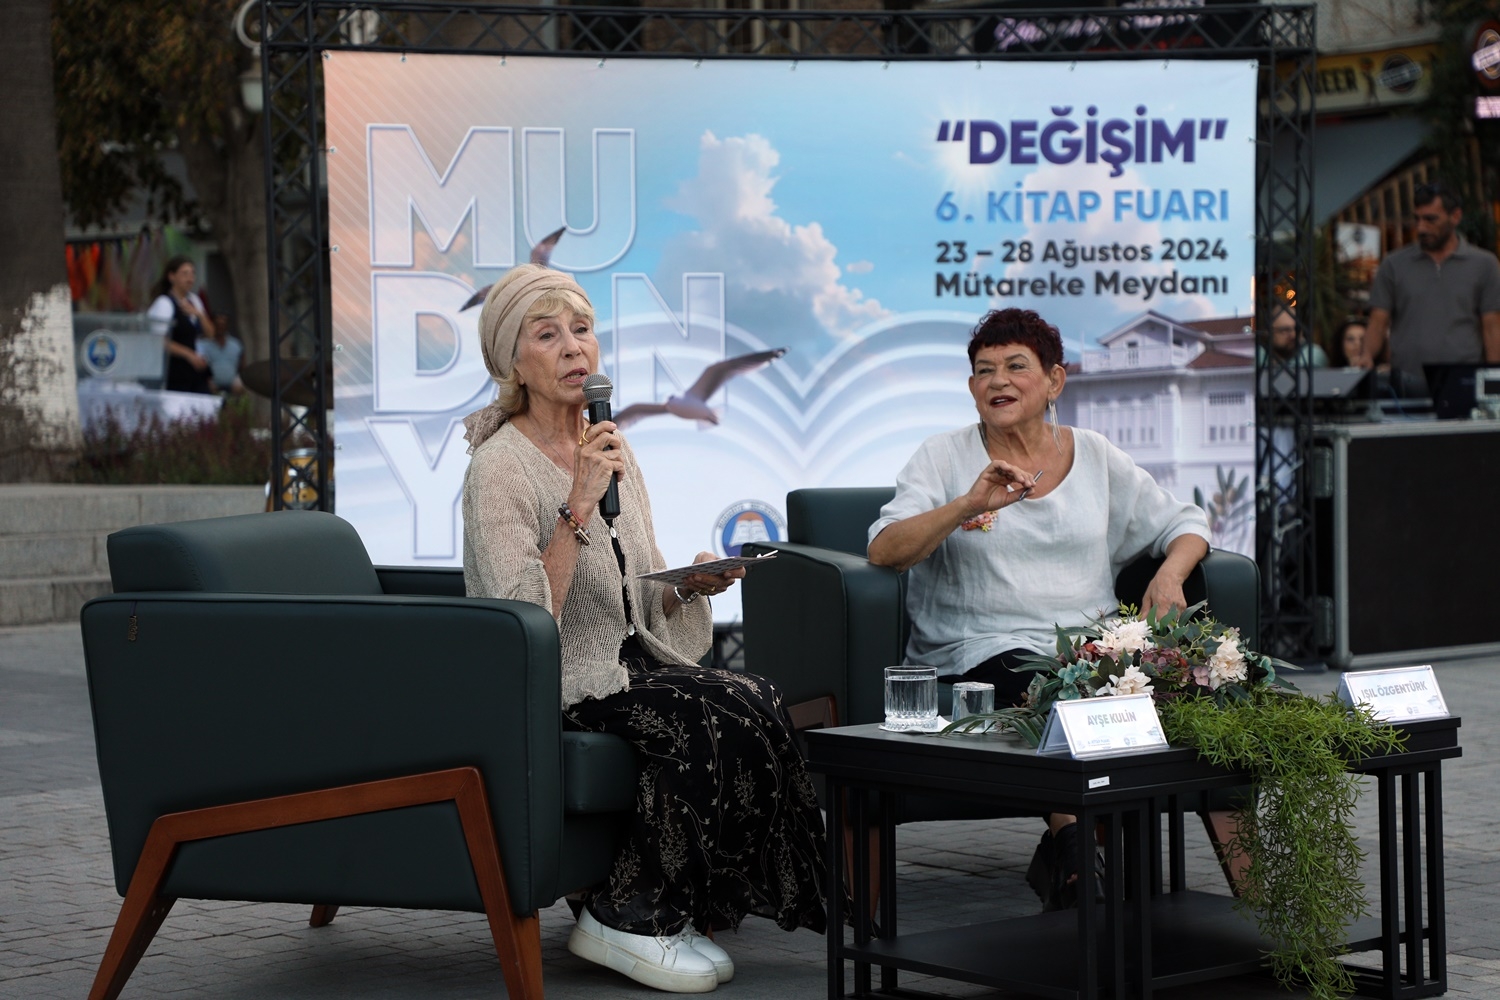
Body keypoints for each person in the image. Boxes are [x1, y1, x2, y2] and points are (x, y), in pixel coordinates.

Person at [461, 263, 826, 994]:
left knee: (754, 692)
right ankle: (627, 914)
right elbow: (519, 620)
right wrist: (575, 507)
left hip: (632, 661)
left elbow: (638, 588)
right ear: (512, 365)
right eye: (547, 335)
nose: (574, 348)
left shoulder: (611, 445)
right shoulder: (497, 469)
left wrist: (687, 584)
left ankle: (671, 904)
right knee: (703, 712)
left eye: (582, 330)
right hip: (560, 678)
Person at [867, 307, 1211, 911]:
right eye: (984, 370)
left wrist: (1169, 574)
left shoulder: (1095, 453)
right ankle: (1078, 862)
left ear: (1055, 380)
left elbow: (1185, 523)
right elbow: (885, 550)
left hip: (1090, 648)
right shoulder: (942, 456)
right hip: (979, 646)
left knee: (1184, 696)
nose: (998, 380)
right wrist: (966, 503)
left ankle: (1272, 924)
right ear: (971, 386)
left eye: (1015, 366)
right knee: (1052, 690)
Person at [1365, 181, 1500, 396]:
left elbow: (1492, 326)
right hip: (1407, 381)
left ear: (1455, 217)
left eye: (1430, 219)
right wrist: (1365, 358)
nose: (1421, 227)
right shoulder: (1394, 264)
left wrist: (1494, 383)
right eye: (1417, 219)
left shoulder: (1484, 264)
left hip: (1464, 381)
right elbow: (1378, 321)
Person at [146, 256, 214, 394]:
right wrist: (188, 354)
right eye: (185, 274)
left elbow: (210, 334)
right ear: (172, 276)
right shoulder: (164, 303)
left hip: (194, 370)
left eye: (192, 274)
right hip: (173, 370)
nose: (190, 279)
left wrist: (199, 315)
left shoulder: (194, 300)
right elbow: (159, 340)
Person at [1257, 303, 1327, 369]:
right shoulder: (1257, 355)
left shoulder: (1312, 354)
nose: (1294, 335)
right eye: (1285, 330)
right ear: (1267, 332)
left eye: (1297, 329)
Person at [197, 313, 246, 394]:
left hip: (233, 384)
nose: (220, 328)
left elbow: (242, 366)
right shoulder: (203, 344)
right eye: (218, 325)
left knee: (240, 385)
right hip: (211, 383)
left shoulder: (236, 345)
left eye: (223, 325)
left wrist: (239, 378)